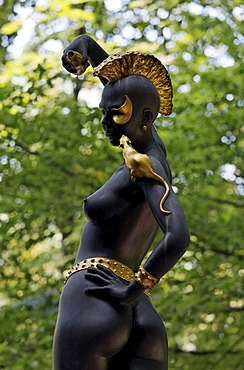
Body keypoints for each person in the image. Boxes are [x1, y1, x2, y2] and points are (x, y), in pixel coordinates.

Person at [53, 35, 190, 370]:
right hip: (141, 316)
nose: (104, 125)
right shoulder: (155, 147)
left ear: (144, 118)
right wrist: (86, 46)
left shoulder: (142, 166)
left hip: (95, 294)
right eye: (103, 112)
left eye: (114, 115)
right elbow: (125, 89)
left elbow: (178, 236)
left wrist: (133, 288)